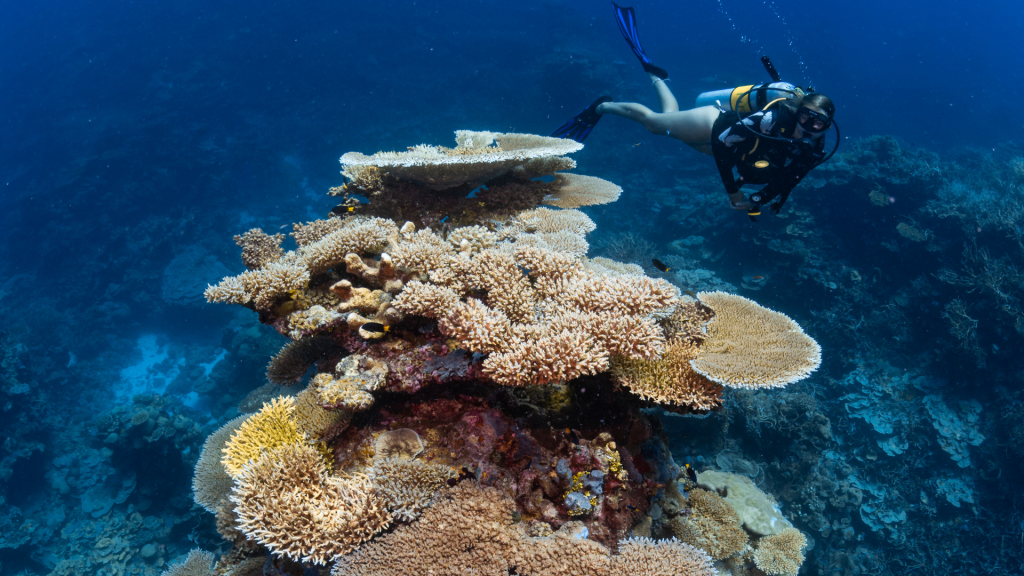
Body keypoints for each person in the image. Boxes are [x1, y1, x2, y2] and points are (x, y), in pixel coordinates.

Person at [552, 3, 836, 217]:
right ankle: (601, 106)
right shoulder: (772, 118)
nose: (808, 126)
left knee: (668, 122)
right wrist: (733, 193)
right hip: (713, 125)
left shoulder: (815, 145)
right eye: (805, 117)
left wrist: (762, 199)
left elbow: (792, 176)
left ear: (827, 126)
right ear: (797, 111)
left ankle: (657, 77)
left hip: (730, 146)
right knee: (654, 124)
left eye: (818, 123)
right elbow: (723, 144)